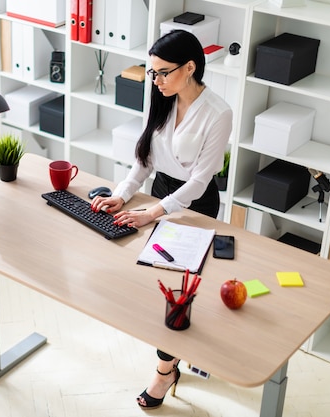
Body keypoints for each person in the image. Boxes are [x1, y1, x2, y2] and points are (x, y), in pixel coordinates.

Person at [91, 30, 232, 409]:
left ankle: (165, 370)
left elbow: (201, 181)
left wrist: (151, 213)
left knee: (175, 295)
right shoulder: (163, 97)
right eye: (152, 73)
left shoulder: (218, 113)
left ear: (190, 67)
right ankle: (173, 356)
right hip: (158, 193)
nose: (156, 81)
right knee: (156, 285)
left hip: (195, 206)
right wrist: (121, 194)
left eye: (163, 72)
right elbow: (144, 159)